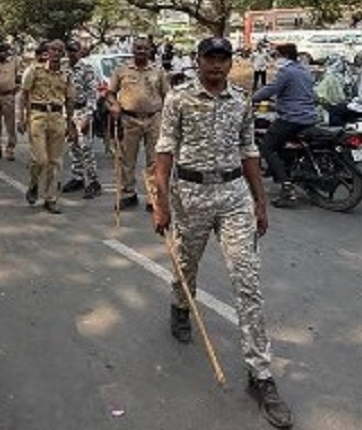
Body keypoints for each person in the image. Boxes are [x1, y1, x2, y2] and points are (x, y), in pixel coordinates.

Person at [152, 36, 294, 429]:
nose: (216, 65)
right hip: (191, 195)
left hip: (234, 196)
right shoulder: (178, 98)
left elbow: (249, 150)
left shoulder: (241, 100)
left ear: (231, 63)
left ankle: (260, 375)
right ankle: (181, 305)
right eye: (210, 58)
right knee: (186, 264)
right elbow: (165, 150)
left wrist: (260, 201)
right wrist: (161, 202)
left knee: (248, 281)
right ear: (198, 61)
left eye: (223, 59)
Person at [107, 38, 172, 211]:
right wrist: (114, 105)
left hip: (154, 119)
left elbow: (168, 96)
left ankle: (152, 197)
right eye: (138, 48)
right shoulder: (122, 70)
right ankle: (128, 193)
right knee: (127, 159)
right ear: (133, 50)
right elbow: (110, 93)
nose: (141, 51)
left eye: (144, 48)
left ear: (150, 51)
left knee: (154, 160)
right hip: (129, 119)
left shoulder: (158, 70)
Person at [250, 43, 317, 208]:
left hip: (292, 118)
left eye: (276, 55)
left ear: (284, 56)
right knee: (281, 143)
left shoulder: (286, 72)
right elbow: (295, 92)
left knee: (267, 147)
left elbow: (271, 89)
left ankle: (287, 187)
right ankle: (282, 168)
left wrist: (249, 99)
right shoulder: (304, 71)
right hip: (309, 116)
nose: (274, 59)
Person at [18, 40, 74, 214]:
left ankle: (51, 198)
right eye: (53, 50)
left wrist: (70, 122)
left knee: (55, 161)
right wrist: (21, 117)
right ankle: (34, 183)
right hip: (38, 115)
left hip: (57, 117)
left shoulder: (66, 74)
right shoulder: (34, 70)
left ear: (63, 53)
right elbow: (24, 94)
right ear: (47, 52)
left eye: (59, 50)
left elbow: (70, 99)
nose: (56, 53)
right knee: (40, 159)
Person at [61, 40, 102, 199]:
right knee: (73, 146)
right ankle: (77, 177)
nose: (71, 53)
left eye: (74, 50)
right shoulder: (64, 68)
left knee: (86, 147)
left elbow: (93, 94)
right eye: (69, 50)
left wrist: (88, 115)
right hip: (68, 110)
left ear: (79, 52)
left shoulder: (86, 68)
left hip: (82, 110)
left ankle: (93, 181)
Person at [0, 43, 22, 160]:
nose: (2, 54)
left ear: (8, 52)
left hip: (8, 96)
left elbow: (19, 79)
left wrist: (13, 92)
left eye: (4, 51)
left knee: (10, 124)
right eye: (0, 51)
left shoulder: (14, 63)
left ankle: (10, 149)